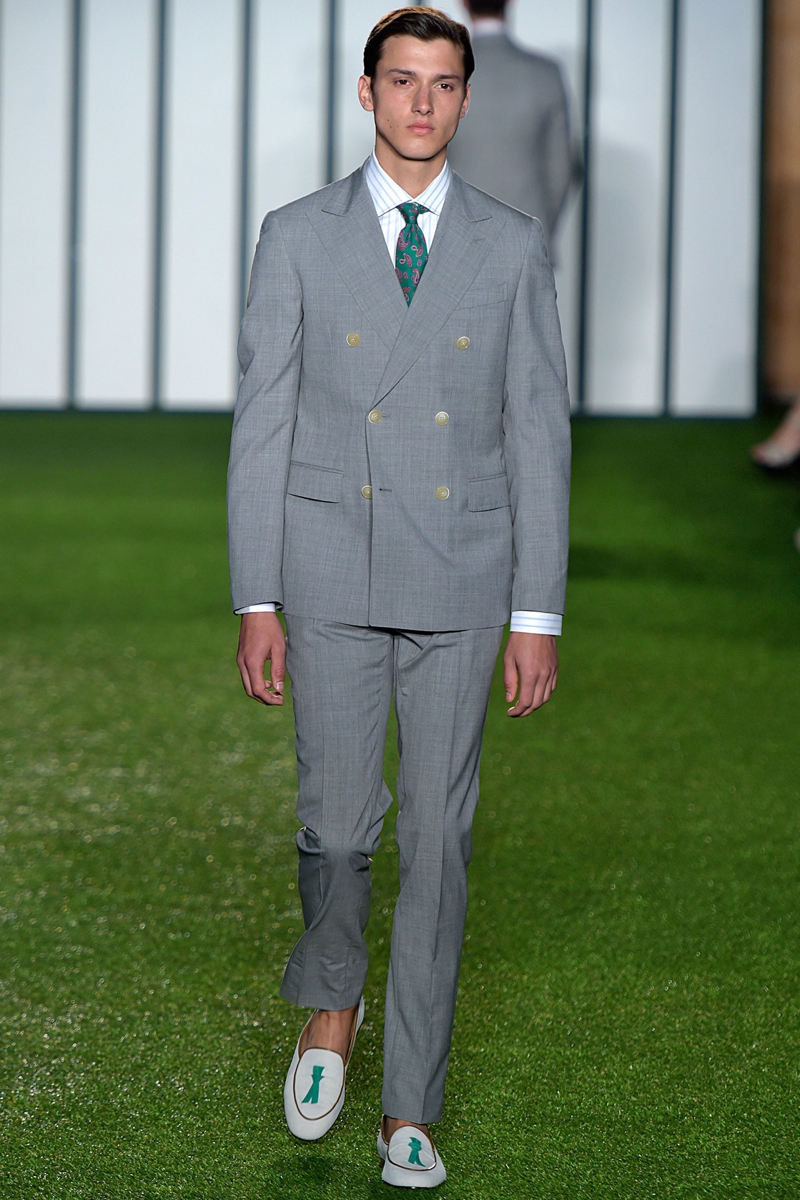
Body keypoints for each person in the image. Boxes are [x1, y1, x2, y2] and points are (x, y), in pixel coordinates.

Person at [227, 6, 570, 1188]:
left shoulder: (511, 244)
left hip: (463, 574)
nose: (421, 103)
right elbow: (261, 421)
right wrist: (255, 594)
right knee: (336, 826)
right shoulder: (295, 236)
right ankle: (333, 999)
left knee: (438, 839)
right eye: (401, 80)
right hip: (325, 564)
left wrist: (536, 613)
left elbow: (537, 432)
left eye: (442, 83)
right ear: (365, 92)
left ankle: (406, 1107)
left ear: (465, 98)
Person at [448, 0, 574, 254]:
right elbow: (561, 168)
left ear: (463, 3)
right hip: (528, 240)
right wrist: (542, 230)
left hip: (456, 240)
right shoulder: (545, 73)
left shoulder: (444, 74)